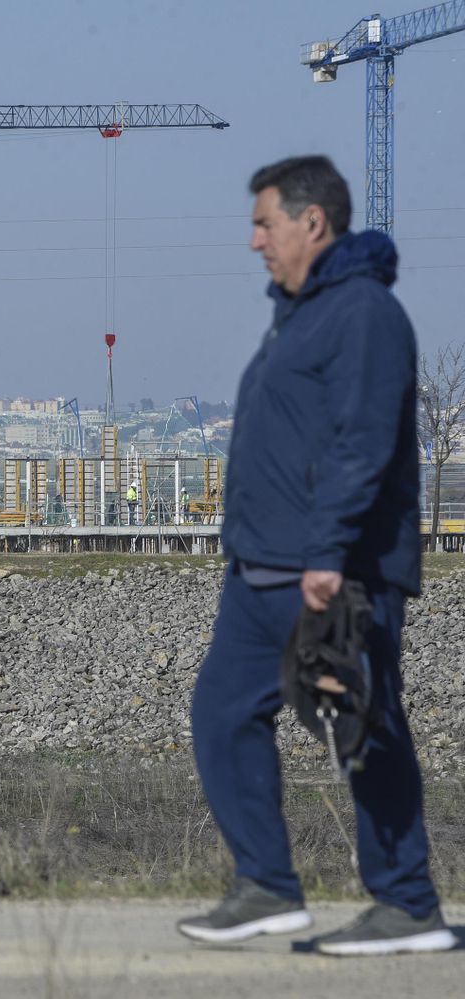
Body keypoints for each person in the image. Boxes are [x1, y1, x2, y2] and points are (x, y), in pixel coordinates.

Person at [178, 155, 451, 955]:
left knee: (364, 728)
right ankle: (267, 886)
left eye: (265, 223)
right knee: (223, 715)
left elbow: (362, 443)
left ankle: (407, 905)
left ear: (312, 222)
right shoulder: (298, 314)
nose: (254, 241)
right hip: (262, 569)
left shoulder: (363, 313)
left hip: (334, 571)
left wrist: (328, 552)